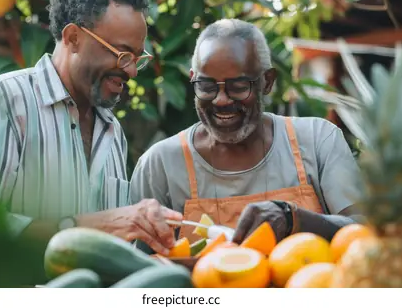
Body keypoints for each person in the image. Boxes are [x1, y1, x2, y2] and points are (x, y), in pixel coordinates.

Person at [0, 0, 182, 256]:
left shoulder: (112, 130)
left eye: (137, 59)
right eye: (122, 54)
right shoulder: (6, 100)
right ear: (73, 38)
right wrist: (99, 226)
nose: (131, 71)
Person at [129, 18, 366, 250]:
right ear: (193, 79)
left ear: (267, 82)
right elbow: (141, 269)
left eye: (239, 86)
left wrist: (291, 218)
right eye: (207, 86)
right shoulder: (159, 165)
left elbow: (363, 231)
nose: (221, 100)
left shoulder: (317, 139)